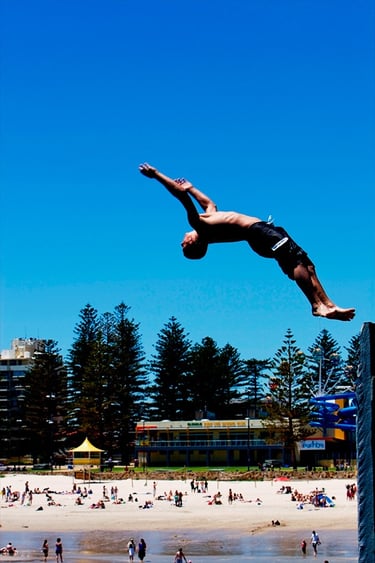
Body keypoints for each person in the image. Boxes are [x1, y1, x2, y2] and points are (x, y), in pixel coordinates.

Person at [139, 163, 355, 321]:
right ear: (192, 243)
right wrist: (157, 174)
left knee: (307, 264)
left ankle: (328, 304)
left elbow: (209, 203)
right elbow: (181, 197)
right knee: (294, 262)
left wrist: (192, 187)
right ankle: (317, 305)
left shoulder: (207, 221)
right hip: (257, 233)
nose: (181, 240)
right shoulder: (200, 226)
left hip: (262, 233)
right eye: (183, 243)